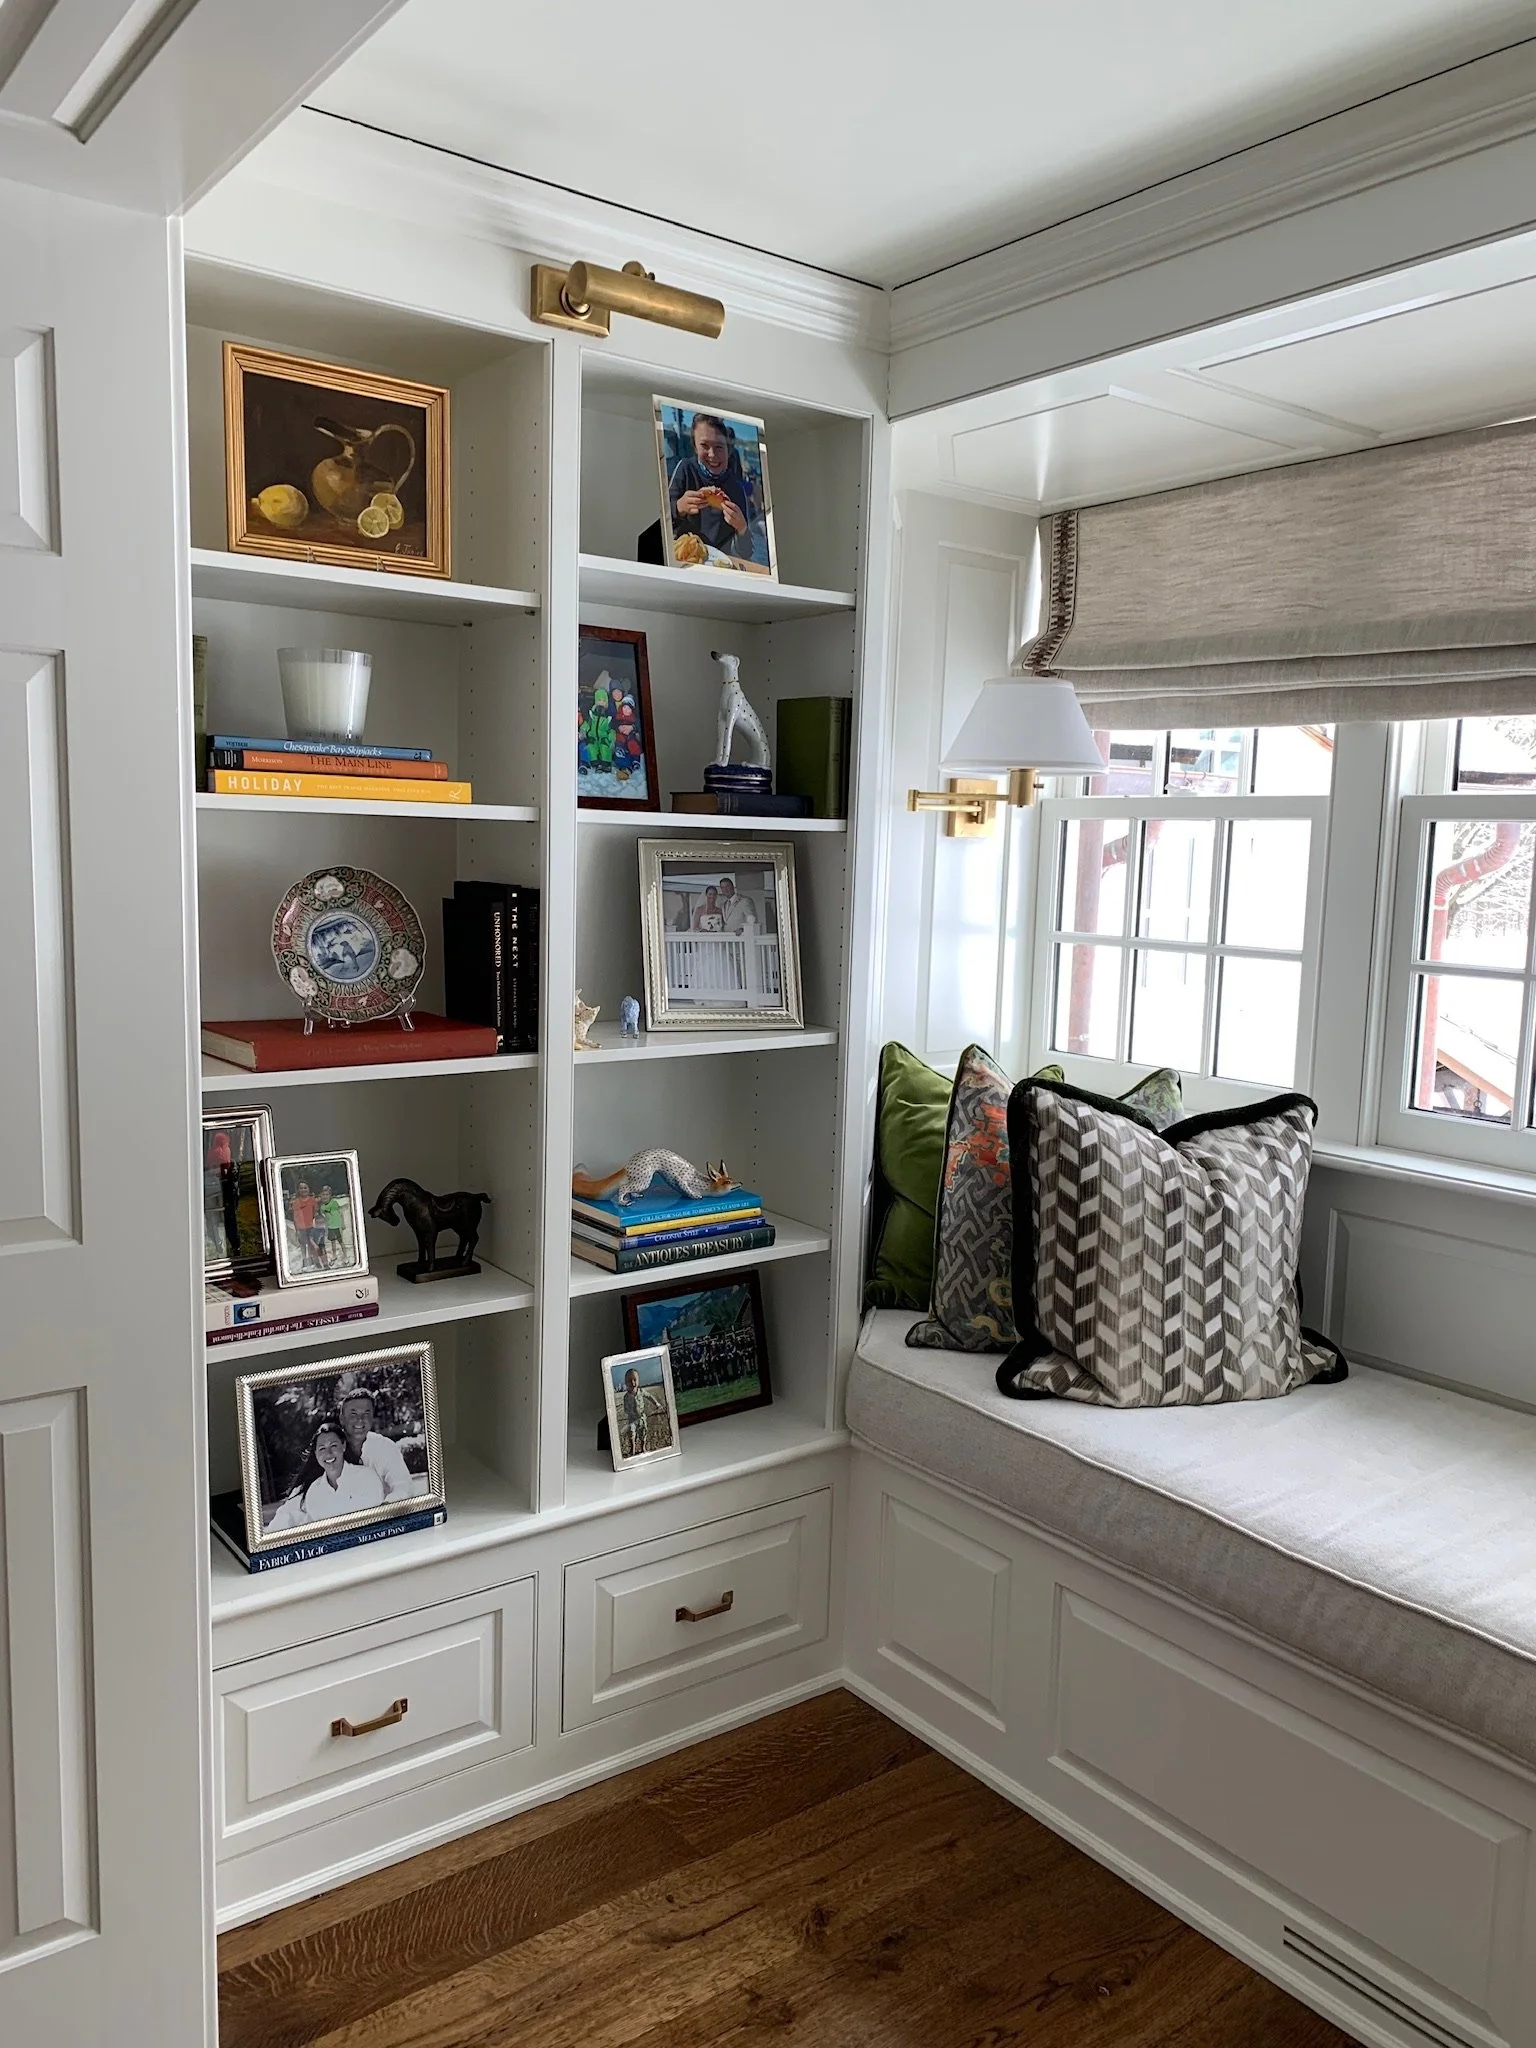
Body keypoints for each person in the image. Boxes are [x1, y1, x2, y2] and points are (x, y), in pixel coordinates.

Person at [266, 1418, 384, 1532]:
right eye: (322, 1448)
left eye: (333, 1446)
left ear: (343, 1446)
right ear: (316, 1454)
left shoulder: (366, 1477)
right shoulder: (313, 1491)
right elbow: (284, 1519)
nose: (328, 1453)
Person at [668, 413, 757, 562]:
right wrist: (678, 507)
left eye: (719, 447)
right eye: (704, 445)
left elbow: (746, 553)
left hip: (719, 564)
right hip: (683, 559)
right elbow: (661, 522)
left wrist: (742, 529)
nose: (712, 454)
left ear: (728, 450)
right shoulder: (685, 469)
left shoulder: (736, 489)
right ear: (695, 447)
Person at [338, 1388, 415, 1501]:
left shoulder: (385, 1447)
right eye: (353, 1414)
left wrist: (387, 1505)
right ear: (342, 1419)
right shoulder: (330, 1449)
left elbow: (403, 1487)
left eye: (366, 1414)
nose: (360, 1420)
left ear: (372, 1417)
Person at [617, 1366, 671, 1458]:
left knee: (643, 1432)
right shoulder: (626, 1397)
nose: (633, 1382)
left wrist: (656, 1403)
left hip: (642, 1417)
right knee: (631, 1433)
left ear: (638, 1380)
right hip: (632, 1419)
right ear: (626, 1383)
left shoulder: (641, 1391)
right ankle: (633, 1449)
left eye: (635, 1380)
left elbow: (649, 1396)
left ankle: (643, 1448)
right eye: (629, 1380)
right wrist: (630, 1412)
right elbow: (626, 1408)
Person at [288, 1179, 320, 1270]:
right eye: (301, 1188)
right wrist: (297, 1230)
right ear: (298, 1190)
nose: (303, 1190)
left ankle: (312, 1260)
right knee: (303, 1245)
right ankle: (304, 1260)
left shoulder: (313, 1201)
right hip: (301, 1228)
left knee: (311, 1244)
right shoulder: (296, 1202)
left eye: (305, 1188)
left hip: (311, 1226)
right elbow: (295, 1217)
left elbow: (315, 1213)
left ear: (309, 1189)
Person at [319, 1184, 347, 1268]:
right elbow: (325, 1218)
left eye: (327, 1194)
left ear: (330, 1195)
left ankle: (345, 1256)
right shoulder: (322, 1207)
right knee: (332, 1242)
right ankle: (334, 1255)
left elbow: (340, 1213)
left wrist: (342, 1223)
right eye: (323, 1194)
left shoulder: (334, 1203)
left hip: (337, 1226)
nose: (325, 1196)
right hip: (330, 1227)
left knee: (341, 1242)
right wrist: (326, 1228)